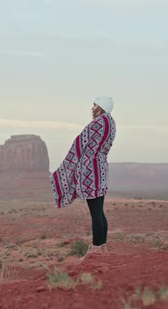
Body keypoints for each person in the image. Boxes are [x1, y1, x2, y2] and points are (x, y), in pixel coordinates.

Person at [50, 96, 117, 257]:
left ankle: (95, 248)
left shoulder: (98, 123)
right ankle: (103, 247)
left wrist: (67, 166)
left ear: (101, 107)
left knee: (95, 212)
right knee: (99, 210)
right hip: (100, 169)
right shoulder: (111, 123)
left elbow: (79, 143)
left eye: (94, 105)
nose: (92, 108)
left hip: (90, 171)